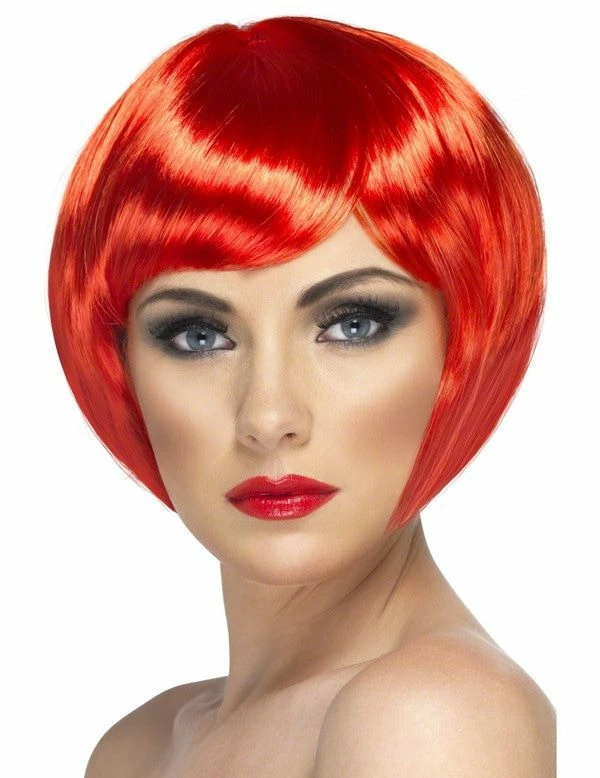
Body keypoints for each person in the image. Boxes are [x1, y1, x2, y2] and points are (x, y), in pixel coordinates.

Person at [47, 14, 556, 777]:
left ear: (465, 339)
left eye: (353, 324)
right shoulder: (135, 749)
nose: (269, 417)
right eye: (197, 335)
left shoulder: (434, 714)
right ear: (118, 361)